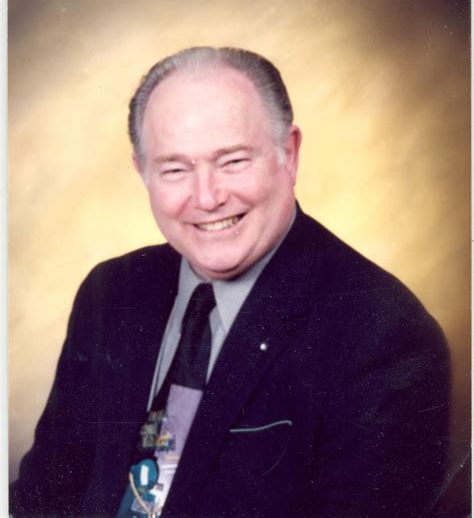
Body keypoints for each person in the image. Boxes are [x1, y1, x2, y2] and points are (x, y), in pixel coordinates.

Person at [10, 47, 450, 517]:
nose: (207, 197)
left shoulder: (381, 333)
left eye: (233, 161)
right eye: (175, 169)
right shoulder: (112, 292)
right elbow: (43, 496)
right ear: (143, 173)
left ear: (289, 153)